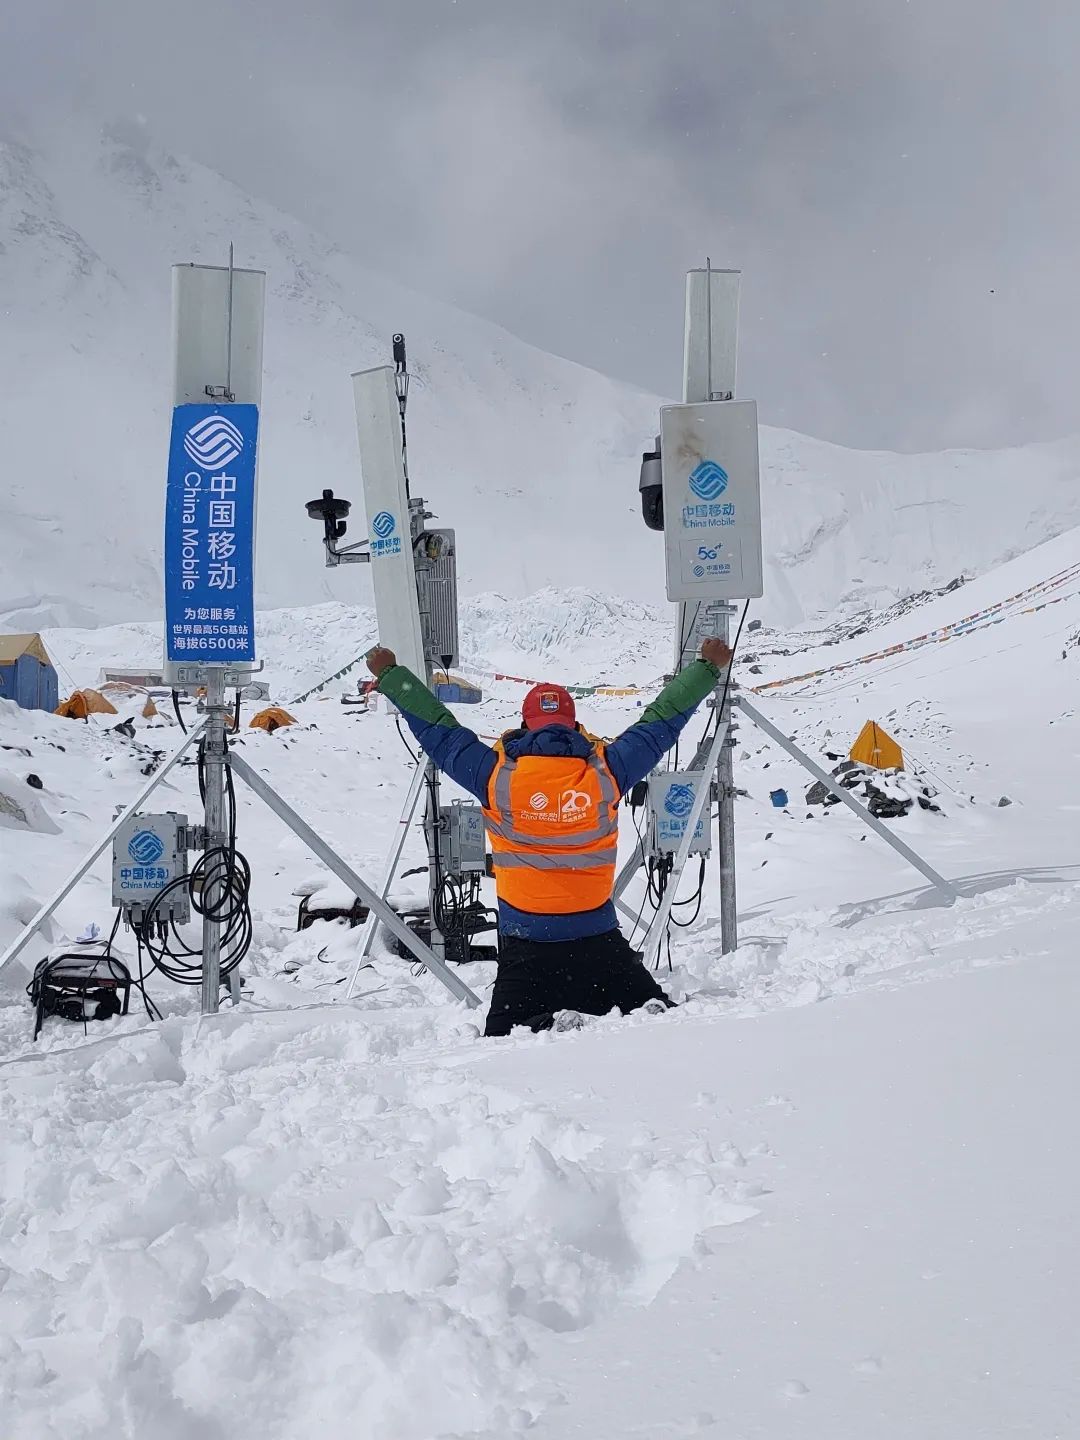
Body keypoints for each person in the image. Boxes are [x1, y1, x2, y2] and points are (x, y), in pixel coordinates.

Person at [366, 637, 733, 1035]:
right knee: (646, 1005)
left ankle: (547, 1021)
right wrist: (706, 668)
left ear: (525, 727)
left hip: (526, 942)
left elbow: (439, 731)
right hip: (597, 936)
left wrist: (391, 674)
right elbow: (660, 721)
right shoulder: (608, 771)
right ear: (575, 725)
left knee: (504, 1032)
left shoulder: (494, 776)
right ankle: (634, 1005)